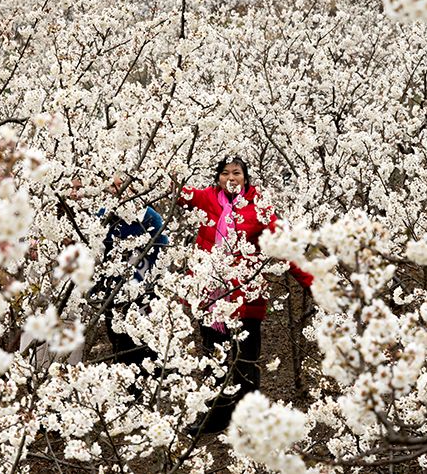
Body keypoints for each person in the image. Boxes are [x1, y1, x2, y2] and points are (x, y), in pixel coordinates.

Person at [176, 156, 313, 434]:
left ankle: (250, 419)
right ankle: (215, 417)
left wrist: (312, 281)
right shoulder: (206, 199)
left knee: (245, 360)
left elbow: (285, 246)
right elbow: (178, 191)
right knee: (213, 358)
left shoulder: (259, 208)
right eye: (225, 173)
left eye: (236, 172)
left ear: (246, 177)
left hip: (244, 298)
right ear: (217, 178)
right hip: (210, 297)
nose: (231, 178)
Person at [95, 176, 169, 371]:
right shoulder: (104, 216)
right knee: (119, 342)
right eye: (114, 186)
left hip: (144, 291)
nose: (121, 190)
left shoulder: (150, 217)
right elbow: (95, 253)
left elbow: (161, 258)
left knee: (143, 342)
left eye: (125, 184)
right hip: (113, 293)